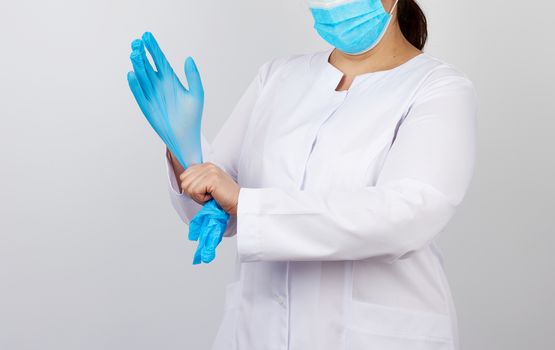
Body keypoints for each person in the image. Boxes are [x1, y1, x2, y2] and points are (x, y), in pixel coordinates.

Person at [166, 0, 477, 349]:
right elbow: (215, 207)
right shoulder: (277, 77)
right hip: (256, 333)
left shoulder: (438, 88)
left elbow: (408, 214)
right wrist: (184, 149)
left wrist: (247, 203)